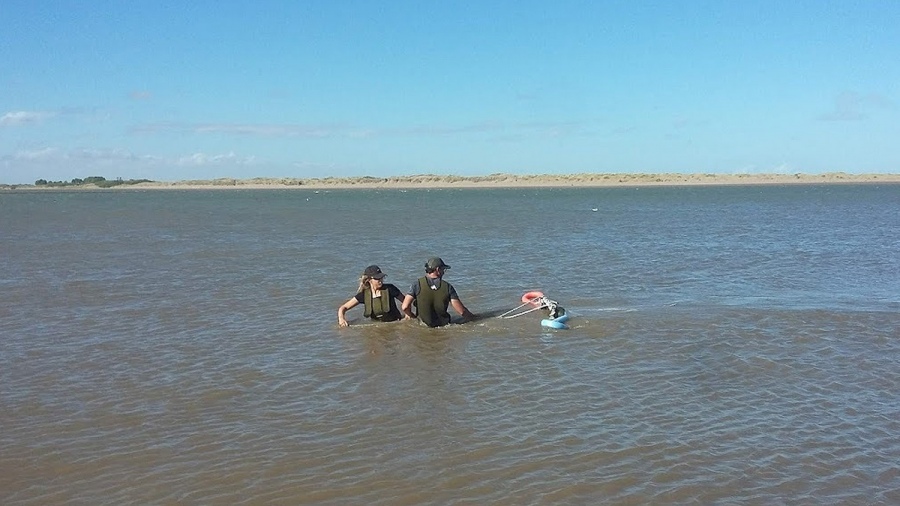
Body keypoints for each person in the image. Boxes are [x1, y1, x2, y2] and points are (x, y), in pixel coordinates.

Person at [402, 257, 476, 327]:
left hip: (423, 325)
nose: (443, 272)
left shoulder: (417, 284)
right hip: (443, 326)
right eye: (443, 269)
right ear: (438, 269)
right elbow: (462, 311)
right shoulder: (448, 287)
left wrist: (411, 316)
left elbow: (405, 307)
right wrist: (475, 318)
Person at [337, 265, 412, 327]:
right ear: (369, 280)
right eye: (377, 278)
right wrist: (341, 319)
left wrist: (407, 314)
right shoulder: (364, 294)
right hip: (376, 326)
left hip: (395, 323)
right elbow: (343, 308)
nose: (380, 280)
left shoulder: (390, 289)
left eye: (381, 278)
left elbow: (406, 301)